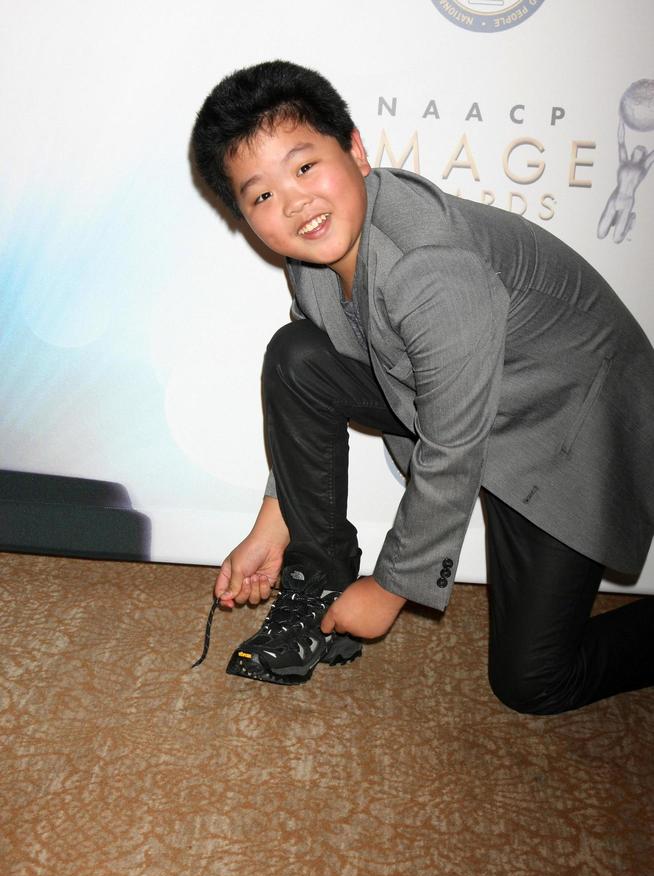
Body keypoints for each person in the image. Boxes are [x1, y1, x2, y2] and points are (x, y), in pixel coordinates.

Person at [191, 60, 654, 712]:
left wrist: (389, 589)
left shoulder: (430, 265)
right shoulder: (313, 259)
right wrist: (276, 521)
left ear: (354, 148)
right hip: (451, 389)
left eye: (304, 167)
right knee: (298, 355)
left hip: (567, 418)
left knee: (536, 680)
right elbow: (327, 377)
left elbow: (452, 441)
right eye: (261, 194)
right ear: (242, 215)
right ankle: (318, 578)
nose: (295, 203)